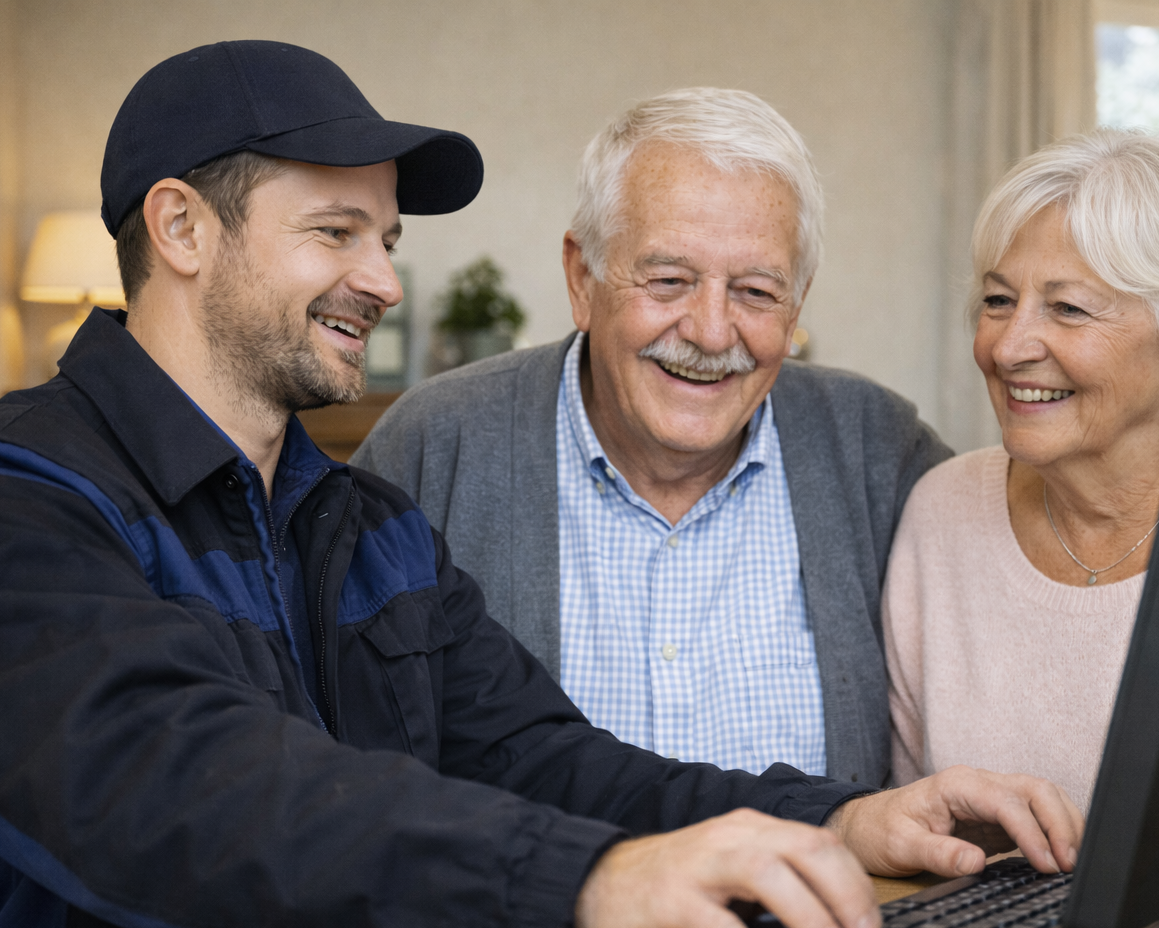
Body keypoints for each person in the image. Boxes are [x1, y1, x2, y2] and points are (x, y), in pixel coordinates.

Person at [0, 42, 1081, 928]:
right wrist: (595, 881)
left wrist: (838, 823)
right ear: (180, 229)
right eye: (336, 231)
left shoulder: (360, 525)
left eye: (385, 239)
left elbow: (555, 763)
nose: (384, 279)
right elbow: (190, 793)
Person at [355, 88, 949, 787]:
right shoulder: (432, 446)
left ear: (797, 305)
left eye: (757, 292)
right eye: (669, 281)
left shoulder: (878, 451)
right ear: (583, 278)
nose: (710, 331)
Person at [883, 129, 1159, 811]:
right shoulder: (939, 512)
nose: (1008, 347)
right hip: (978, 918)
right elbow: (912, 822)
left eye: (1067, 309)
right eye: (999, 300)